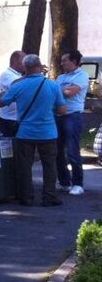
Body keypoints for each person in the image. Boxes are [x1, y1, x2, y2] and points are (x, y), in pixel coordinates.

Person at [0, 54, 66, 206]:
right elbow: (62, 110)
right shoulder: (53, 85)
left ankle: (26, 198)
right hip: (48, 132)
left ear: (26, 68)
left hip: (25, 133)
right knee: (49, 166)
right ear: (40, 66)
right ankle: (49, 196)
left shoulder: (18, 85)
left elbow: (0, 103)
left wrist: (3, 91)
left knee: (24, 167)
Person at [56, 49, 89, 196]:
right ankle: (64, 182)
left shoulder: (82, 75)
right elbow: (60, 92)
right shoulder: (61, 77)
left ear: (75, 62)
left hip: (72, 116)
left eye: (65, 60)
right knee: (57, 151)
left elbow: (70, 92)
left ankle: (78, 184)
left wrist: (57, 90)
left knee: (72, 151)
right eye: (62, 60)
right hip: (57, 116)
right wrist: (60, 90)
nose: (62, 63)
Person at [0, 49, 25, 137]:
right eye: (24, 60)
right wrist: (31, 74)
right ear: (16, 61)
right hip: (9, 120)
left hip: (18, 119)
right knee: (10, 147)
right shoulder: (6, 74)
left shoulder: (19, 75)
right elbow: (16, 85)